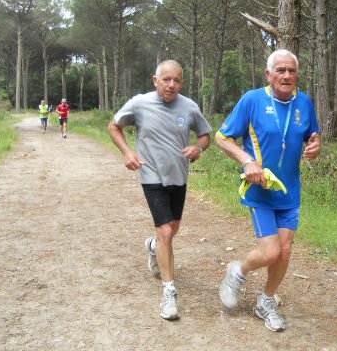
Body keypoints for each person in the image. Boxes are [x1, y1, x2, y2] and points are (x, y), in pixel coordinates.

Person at [216, 49, 321, 332]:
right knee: (271, 252)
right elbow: (222, 137)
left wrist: (315, 147)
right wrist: (247, 161)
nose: (286, 76)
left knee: (284, 252)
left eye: (291, 71)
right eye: (280, 70)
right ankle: (238, 271)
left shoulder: (305, 102)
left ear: (297, 75)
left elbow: (312, 137)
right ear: (268, 74)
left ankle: (266, 300)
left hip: (290, 191)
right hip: (260, 191)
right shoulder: (252, 100)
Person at [108, 60, 212, 321]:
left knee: (172, 230)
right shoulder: (139, 103)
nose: (171, 85)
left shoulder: (189, 107)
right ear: (156, 80)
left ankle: (154, 246)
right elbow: (114, 126)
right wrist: (127, 152)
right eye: (166, 79)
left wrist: (198, 148)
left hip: (179, 176)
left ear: (182, 83)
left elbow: (205, 135)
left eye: (177, 80)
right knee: (165, 231)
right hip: (151, 174)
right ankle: (169, 292)